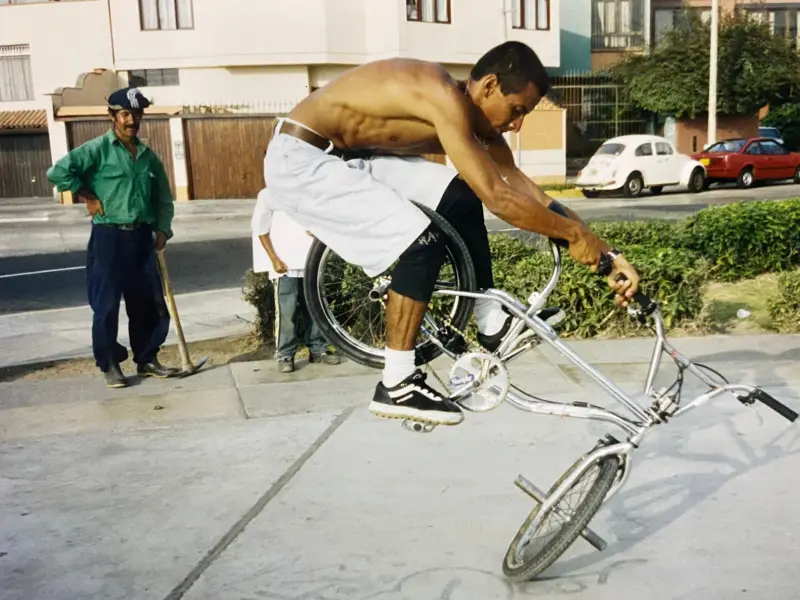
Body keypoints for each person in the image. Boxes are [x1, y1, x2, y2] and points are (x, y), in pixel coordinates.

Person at [263, 42, 641, 427]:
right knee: (421, 240)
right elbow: (499, 200)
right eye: (517, 110)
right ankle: (396, 382)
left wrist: (607, 255)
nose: (518, 125)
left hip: (351, 161)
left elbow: (528, 194)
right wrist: (573, 237)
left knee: (460, 195)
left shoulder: (480, 129)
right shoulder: (440, 95)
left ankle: (491, 322)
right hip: (301, 158)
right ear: (489, 85)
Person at [47, 87, 178, 388]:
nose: (132, 120)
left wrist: (162, 230)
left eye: (137, 114)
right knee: (106, 305)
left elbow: (164, 199)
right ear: (112, 116)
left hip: (143, 238)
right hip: (109, 236)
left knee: (148, 303)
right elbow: (57, 172)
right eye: (125, 114)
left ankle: (146, 358)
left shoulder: (147, 156)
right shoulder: (97, 150)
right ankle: (110, 365)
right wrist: (87, 195)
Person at [251, 186, 341, 372]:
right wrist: (274, 259)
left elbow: (325, 219)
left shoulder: (309, 192)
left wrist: (320, 231)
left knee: (315, 308)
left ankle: (318, 349)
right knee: (287, 311)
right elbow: (261, 229)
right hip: (285, 265)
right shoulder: (269, 195)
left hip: (310, 262)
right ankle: (285, 354)